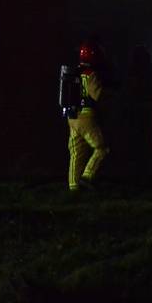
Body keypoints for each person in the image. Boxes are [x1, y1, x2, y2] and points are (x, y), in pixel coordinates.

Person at [66, 40, 110, 191]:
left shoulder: (73, 73)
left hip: (72, 117)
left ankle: (73, 189)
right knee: (102, 148)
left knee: (76, 153)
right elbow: (98, 95)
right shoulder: (90, 74)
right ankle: (87, 176)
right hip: (87, 117)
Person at [123, 46, 152, 169]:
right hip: (147, 107)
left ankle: (140, 162)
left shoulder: (131, 71)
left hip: (136, 108)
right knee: (148, 134)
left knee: (137, 134)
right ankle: (148, 162)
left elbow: (124, 91)